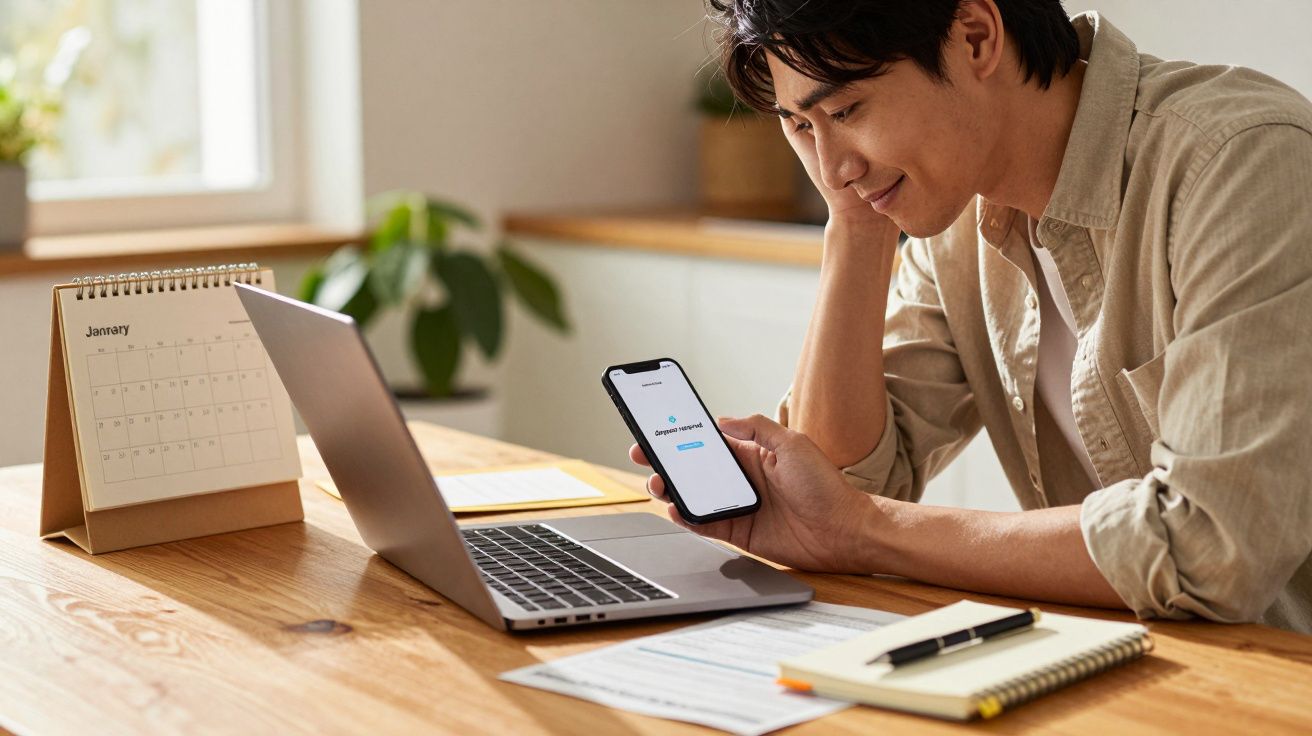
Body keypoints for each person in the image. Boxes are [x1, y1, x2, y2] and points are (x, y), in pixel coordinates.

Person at [630, 0, 1312, 632]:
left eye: (846, 110)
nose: (830, 164)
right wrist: (855, 220)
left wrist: (868, 529)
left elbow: (1210, 547)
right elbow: (832, 489)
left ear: (977, 36)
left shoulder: (1240, 163)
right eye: (801, 126)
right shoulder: (952, 210)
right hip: (1145, 672)